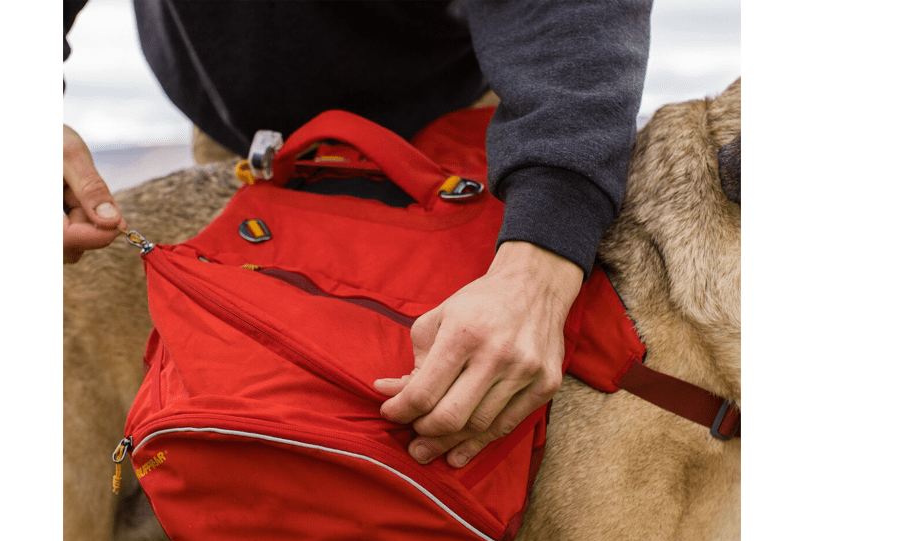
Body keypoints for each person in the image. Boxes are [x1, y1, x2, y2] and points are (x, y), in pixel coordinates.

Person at [63, 0, 652, 470]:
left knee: (475, 413)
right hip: (247, 136)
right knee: (273, 442)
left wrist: (543, 252)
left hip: (460, 131)